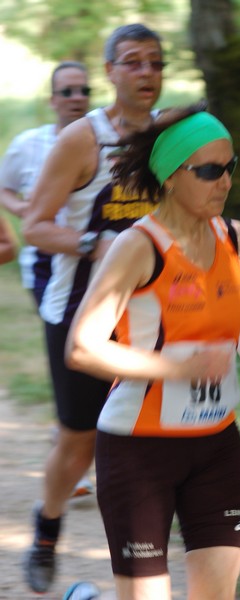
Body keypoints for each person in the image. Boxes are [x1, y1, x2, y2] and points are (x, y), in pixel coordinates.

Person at [64, 105, 240, 600]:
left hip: (217, 443)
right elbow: (82, 349)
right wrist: (174, 367)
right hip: (139, 448)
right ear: (170, 175)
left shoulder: (236, 238)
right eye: (208, 170)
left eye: (230, 167)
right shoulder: (138, 247)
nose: (224, 181)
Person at [22, 23, 166, 594]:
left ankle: (137, 562)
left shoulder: (169, 136)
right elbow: (33, 225)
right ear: (110, 71)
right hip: (78, 312)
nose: (146, 73)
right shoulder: (83, 139)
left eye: (154, 62)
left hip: (151, 312)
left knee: (145, 436)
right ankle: (46, 530)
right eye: (132, 62)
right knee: (78, 439)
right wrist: (95, 245)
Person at [0, 61, 94, 500]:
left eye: (84, 90)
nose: (77, 97)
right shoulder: (27, 144)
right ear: (52, 99)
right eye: (68, 91)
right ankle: (69, 441)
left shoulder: (105, 141)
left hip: (91, 262)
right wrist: (25, 212)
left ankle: (71, 442)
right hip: (43, 263)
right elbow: (3, 188)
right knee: (72, 344)